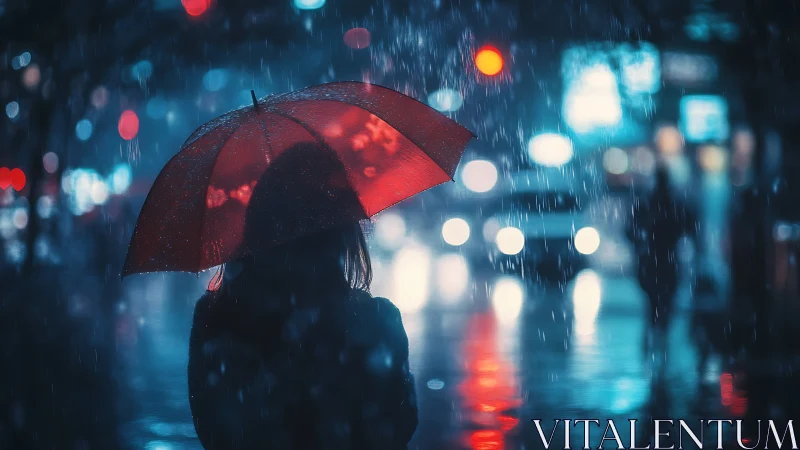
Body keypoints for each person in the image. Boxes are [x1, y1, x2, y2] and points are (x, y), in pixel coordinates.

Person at [187, 143, 419, 449]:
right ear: (342, 232)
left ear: (257, 224)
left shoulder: (217, 316)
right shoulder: (374, 320)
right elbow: (397, 426)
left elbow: (213, 430)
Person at [627, 166, 693, 360]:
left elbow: (630, 230)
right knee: (660, 302)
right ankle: (658, 341)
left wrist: (641, 244)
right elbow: (687, 226)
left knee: (656, 302)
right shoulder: (670, 204)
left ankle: (654, 340)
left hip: (654, 261)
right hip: (662, 261)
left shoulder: (651, 204)